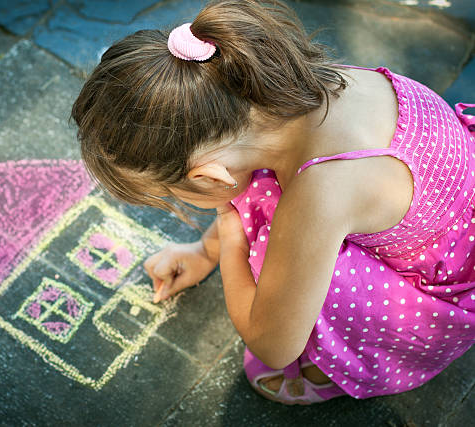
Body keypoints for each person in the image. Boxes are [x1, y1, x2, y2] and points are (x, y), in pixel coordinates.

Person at [72, 0, 475, 405]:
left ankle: (353, 364)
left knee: (268, 229)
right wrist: (202, 252)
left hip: (439, 295)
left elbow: (273, 345)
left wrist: (231, 239)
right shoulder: (294, 93)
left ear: (206, 176)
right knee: (258, 185)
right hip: (450, 224)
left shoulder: (322, 191)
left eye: (172, 194)